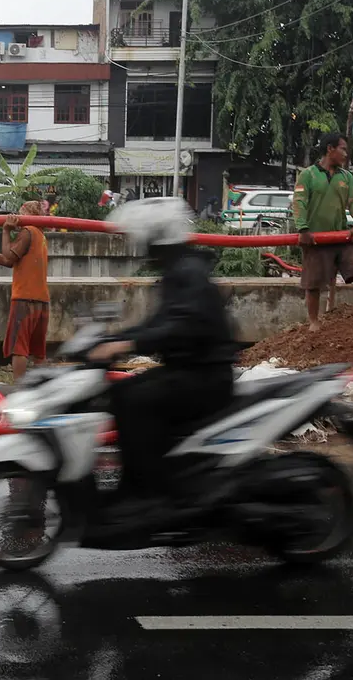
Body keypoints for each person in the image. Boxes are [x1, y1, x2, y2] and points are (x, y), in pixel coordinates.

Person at [88, 197, 238, 509]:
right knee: (125, 392)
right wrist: (114, 338)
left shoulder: (188, 273)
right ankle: (143, 481)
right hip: (191, 370)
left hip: (205, 376)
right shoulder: (179, 270)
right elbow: (157, 323)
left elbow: (177, 327)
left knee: (131, 399)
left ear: (157, 238)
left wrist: (125, 344)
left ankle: (147, 490)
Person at [293, 133, 353, 332]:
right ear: (330, 149)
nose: (345, 154)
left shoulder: (346, 177)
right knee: (313, 282)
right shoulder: (308, 175)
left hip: (341, 236)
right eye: (342, 149)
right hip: (315, 237)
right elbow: (299, 202)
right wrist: (302, 228)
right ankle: (314, 321)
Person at [0, 200, 50, 382]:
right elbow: (10, 261)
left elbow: (8, 256)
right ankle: (40, 389)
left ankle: (19, 390)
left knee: (19, 348)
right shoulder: (41, 236)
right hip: (42, 301)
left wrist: (6, 230)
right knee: (38, 352)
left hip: (24, 299)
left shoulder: (28, 232)